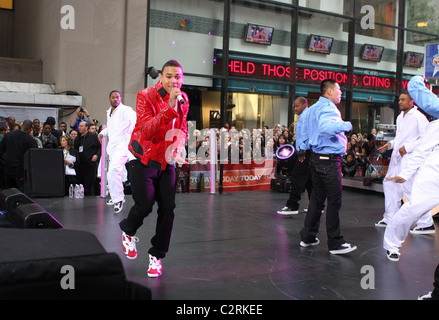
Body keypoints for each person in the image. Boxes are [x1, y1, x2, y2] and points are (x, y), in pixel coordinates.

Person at [119, 60, 189, 278]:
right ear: (161, 77)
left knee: (168, 208)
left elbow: (183, 128)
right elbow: (147, 131)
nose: (173, 81)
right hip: (142, 158)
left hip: (166, 161)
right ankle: (128, 231)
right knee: (145, 205)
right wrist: (169, 107)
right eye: (169, 76)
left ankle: (156, 255)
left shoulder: (184, 99)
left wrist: (179, 147)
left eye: (177, 77)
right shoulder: (145, 96)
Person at [299, 79, 357, 255]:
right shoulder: (328, 108)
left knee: (317, 199)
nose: (341, 93)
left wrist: (302, 150)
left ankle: (308, 237)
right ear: (329, 91)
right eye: (338, 90)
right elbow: (325, 128)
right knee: (334, 201)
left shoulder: (311, 110)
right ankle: (335, 243)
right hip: (329, 161)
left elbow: (302, 133)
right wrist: (346, 125)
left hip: (316, 159)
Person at [374, 92, 429, 228]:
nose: (400, 102)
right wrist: (390, 144)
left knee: (410, 190)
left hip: (410, 158)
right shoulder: (400, 117)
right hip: (397, 158)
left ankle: (426, 223)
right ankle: (389, 217)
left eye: (403, 100)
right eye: (399, 100)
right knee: (389, 185)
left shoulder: (419, 117)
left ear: (412, 101)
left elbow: (427, 138)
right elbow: (401, 138)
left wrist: (408, 147)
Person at [99, 90, 136, 213]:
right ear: (109, 99)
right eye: (113, 97)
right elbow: (111, 128)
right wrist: (103, 133)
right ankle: (116, 196)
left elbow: (134, 120)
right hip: (112, 147)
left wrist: (131, 134)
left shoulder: (126, 110)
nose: (116, 99)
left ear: (121, 98)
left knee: (114, 170)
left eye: (118, 97)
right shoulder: (109, 112)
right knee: (114, 172)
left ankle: (118, 199)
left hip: (123, 146)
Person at [277, 97, 313, 215]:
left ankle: (292, 205)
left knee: (296, 177)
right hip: (303, 152)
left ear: (304, 104)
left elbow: (309, 134)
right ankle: (316, 205)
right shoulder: (302, 117)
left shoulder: (308, 116)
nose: (295, 109)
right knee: (309, 180)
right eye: (294, 106)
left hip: (305, 152)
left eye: (297, 106)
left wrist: (303, 149)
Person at [0, 120, 38, 191]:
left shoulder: (9, 135)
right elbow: (35, 155)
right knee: (20, 194)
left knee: (8, 193)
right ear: (30, 129)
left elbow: (1, 149)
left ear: (21, 126)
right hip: (21, 171)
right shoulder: (30, 140)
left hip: (8, 169)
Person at [73, 121, 101, 196]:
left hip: (90, 163)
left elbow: (100, 147)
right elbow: (75, 150)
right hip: (80, 164)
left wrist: (97, 155)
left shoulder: (93, 137)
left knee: (89, 184)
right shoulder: (77, 139)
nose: (80, 128)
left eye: (82, 126)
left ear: (86, 127)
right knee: (80, 183)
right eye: (79, 126)